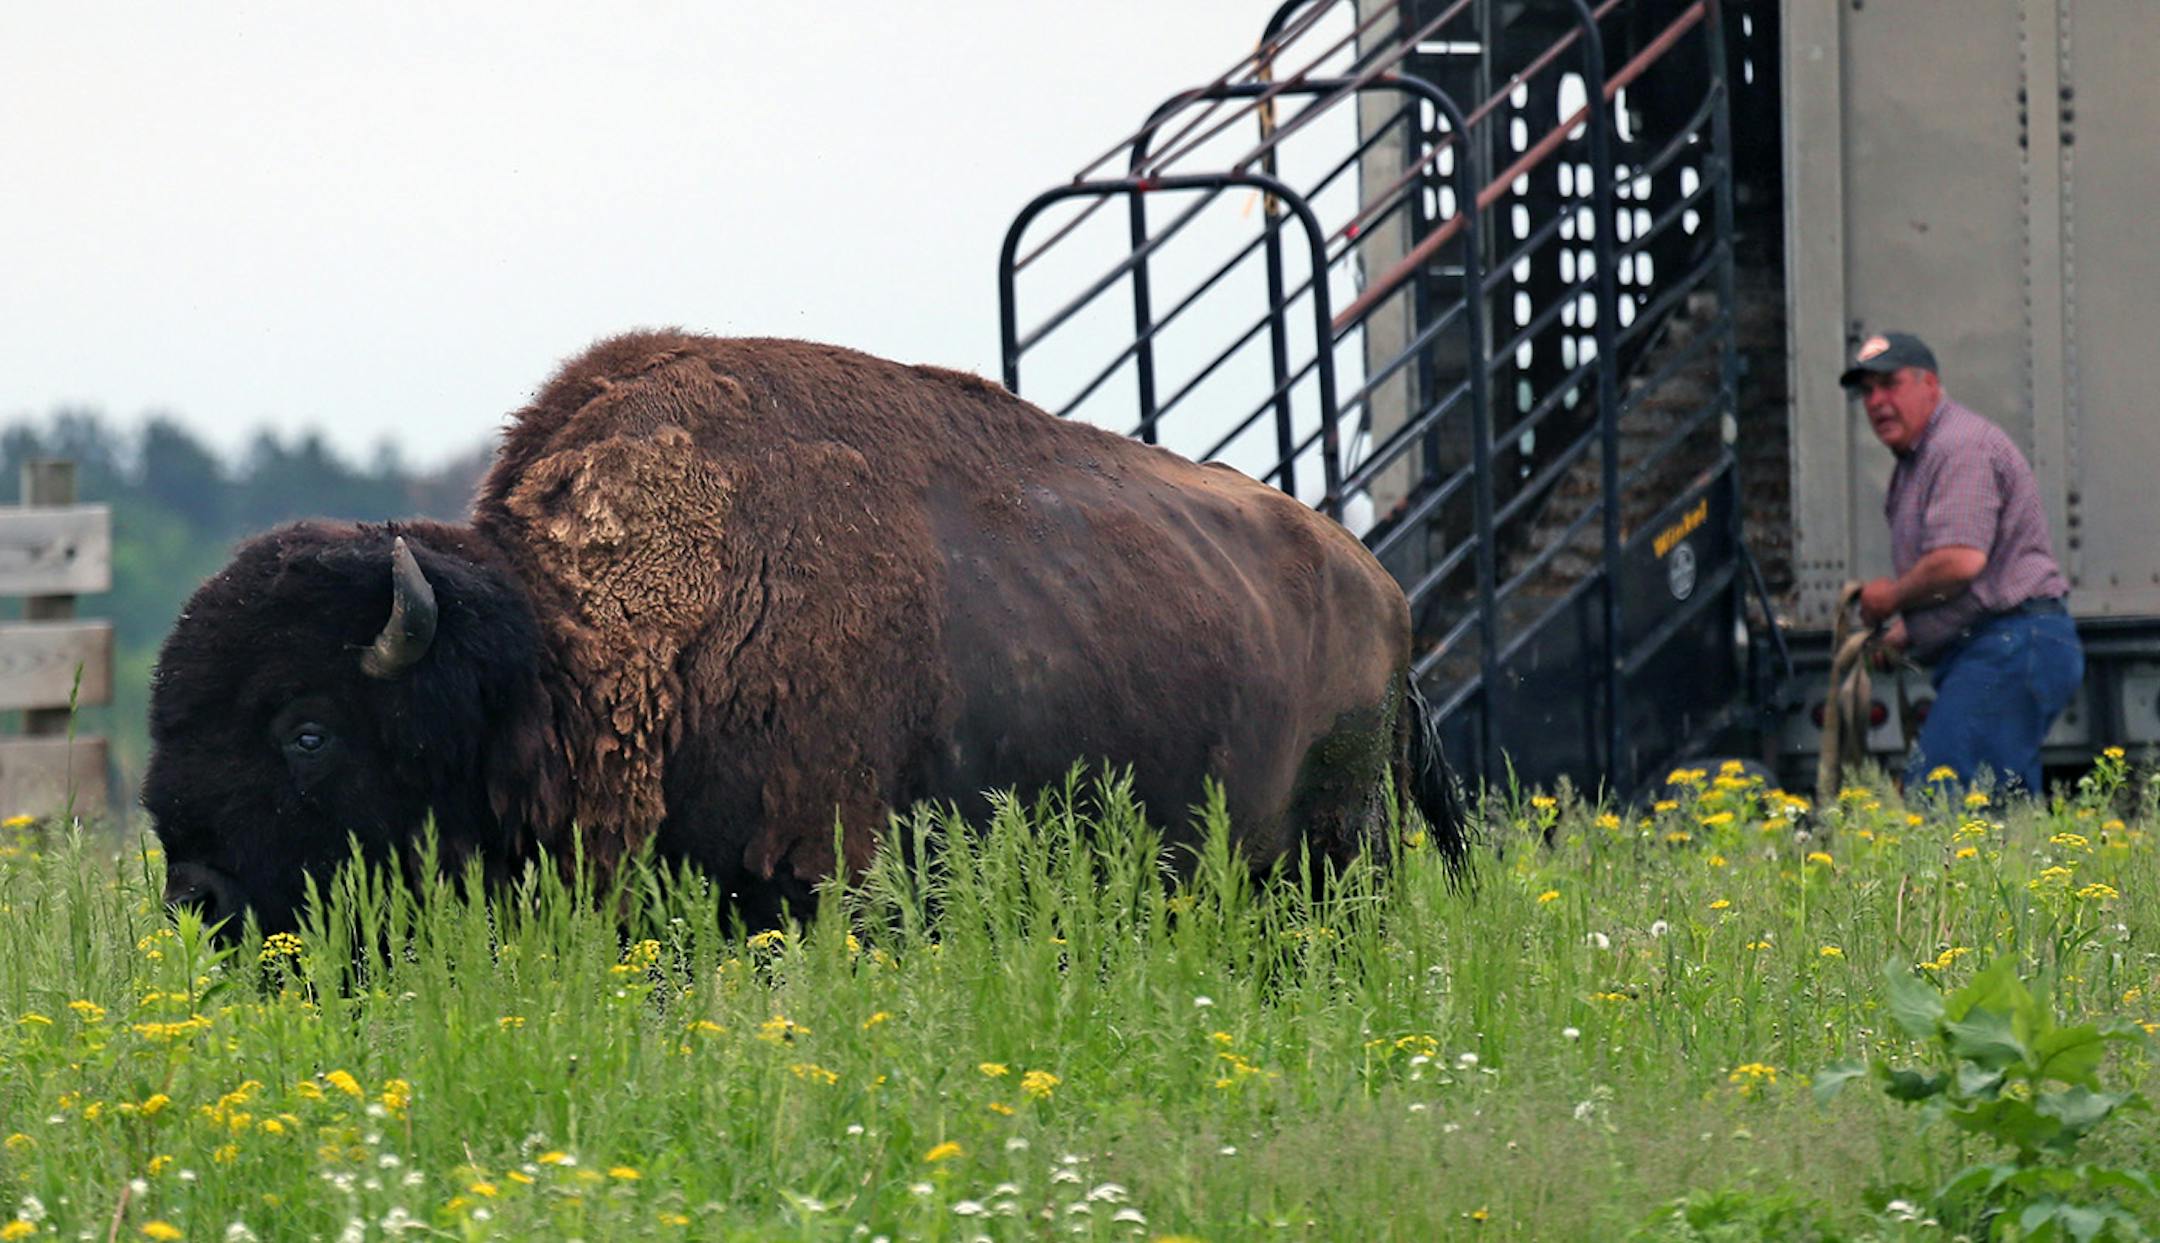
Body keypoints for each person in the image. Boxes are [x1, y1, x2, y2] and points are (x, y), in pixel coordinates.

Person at [1843, 332, 2083, 795]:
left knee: (1945, 796)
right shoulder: (1923, 457)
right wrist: (1908, 632)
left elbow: (1959, 563)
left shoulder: (1958, 447)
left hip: (2012, 644)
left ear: (1929, 384)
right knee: (2000, 813)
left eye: (1889, 384)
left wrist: (1888, 598)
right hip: (2007, 643)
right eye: (1867, 391)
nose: (1876, 402)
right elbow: (1979, 582)